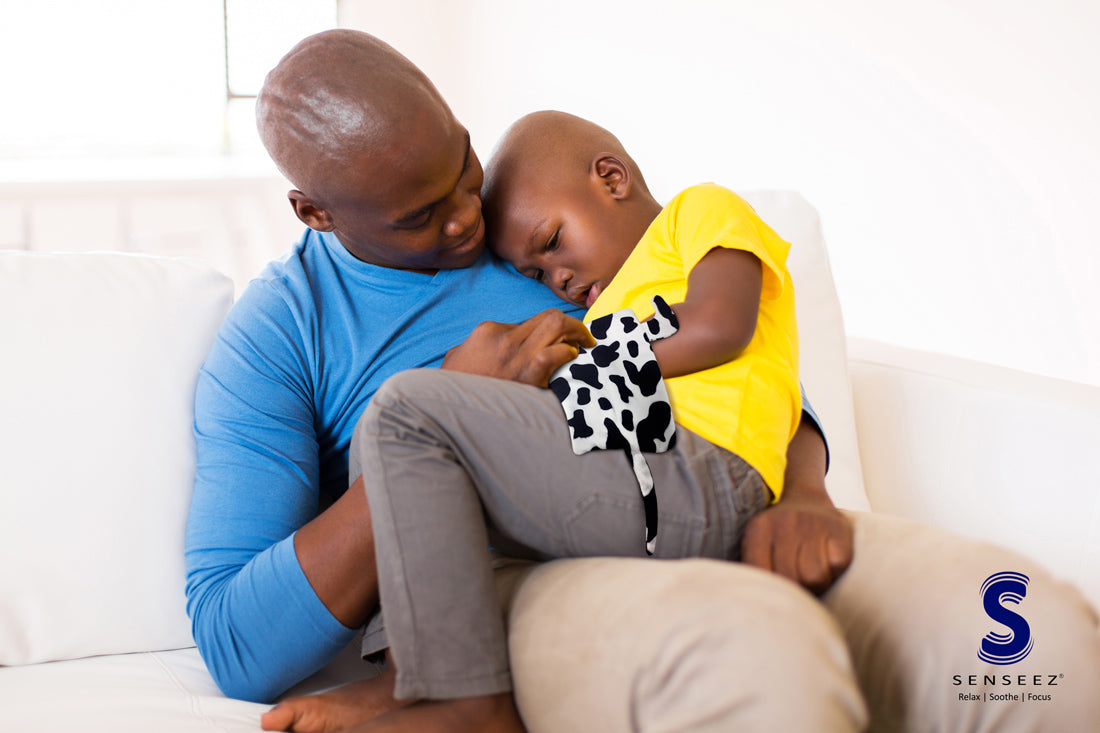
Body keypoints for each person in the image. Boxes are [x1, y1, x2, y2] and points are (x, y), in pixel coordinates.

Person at [184, 28, 1100, 733]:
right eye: (424, 214)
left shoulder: (539, 224)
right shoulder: (281, 332)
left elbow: (723, 346)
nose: (469, 221)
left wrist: (805, 488)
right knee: (758, 656)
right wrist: (457, 399)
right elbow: (235, 639)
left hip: (723, 490)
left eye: (463, 165)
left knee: (1028, 638)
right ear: (314, 209)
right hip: (518, 581)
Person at [334, 108, 806, 732]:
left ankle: (471, 705)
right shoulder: (609, 302)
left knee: (409, 405)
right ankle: (410, 673)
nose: (555, 277)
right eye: (536, 274)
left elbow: (721, 327)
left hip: (703, 471)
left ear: (611, 179)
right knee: (382, 433)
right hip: (631, 474)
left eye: (551, 243)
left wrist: (579, 378)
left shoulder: (697, 212)